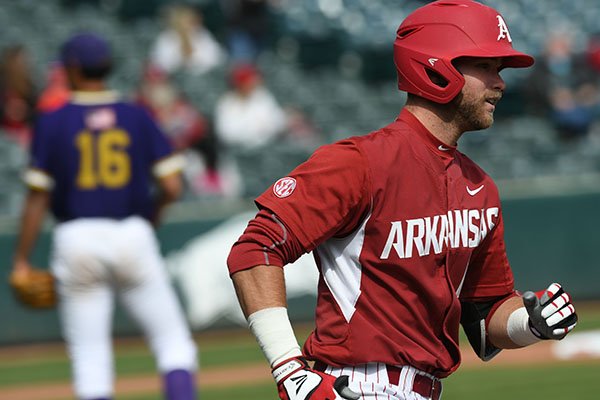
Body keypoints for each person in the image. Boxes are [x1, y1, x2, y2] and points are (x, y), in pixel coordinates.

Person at [226, 1, 578, 400]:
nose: (499, 83)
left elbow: (486, 318)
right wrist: (289, 368)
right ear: (436, 66)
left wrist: (530, 323)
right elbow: (255, 249)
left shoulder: (481, 188)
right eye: (486, 66)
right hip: (353, 385)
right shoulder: (360, 162)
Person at [11, 33, 198, 400]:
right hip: (130, 231)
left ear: (72, 68)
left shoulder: (52, 121)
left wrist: (20, 259)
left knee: (90, 359)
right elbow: (173, 186)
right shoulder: (135, 114)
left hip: (75, 238)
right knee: (173, 344)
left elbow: (36, 197)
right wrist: (150, 217)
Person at [150, 3, 225, 76]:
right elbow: (160, 63)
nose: (186, 24)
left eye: (190, 20)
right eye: (183, 20)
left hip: (202, 77)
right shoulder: (166, 37)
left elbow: (217, 58)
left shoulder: (202, 35)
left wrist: (194, 60)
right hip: (174, 79)